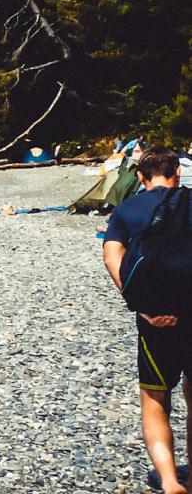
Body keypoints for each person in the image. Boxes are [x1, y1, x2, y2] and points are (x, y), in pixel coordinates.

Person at [102, 147, 187, 493]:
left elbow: (112, 258)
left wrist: (140, 305)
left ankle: (169, 481)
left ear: (140, 176)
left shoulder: (126, 210)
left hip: (154, 320)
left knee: (155, 401)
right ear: (177, 173)